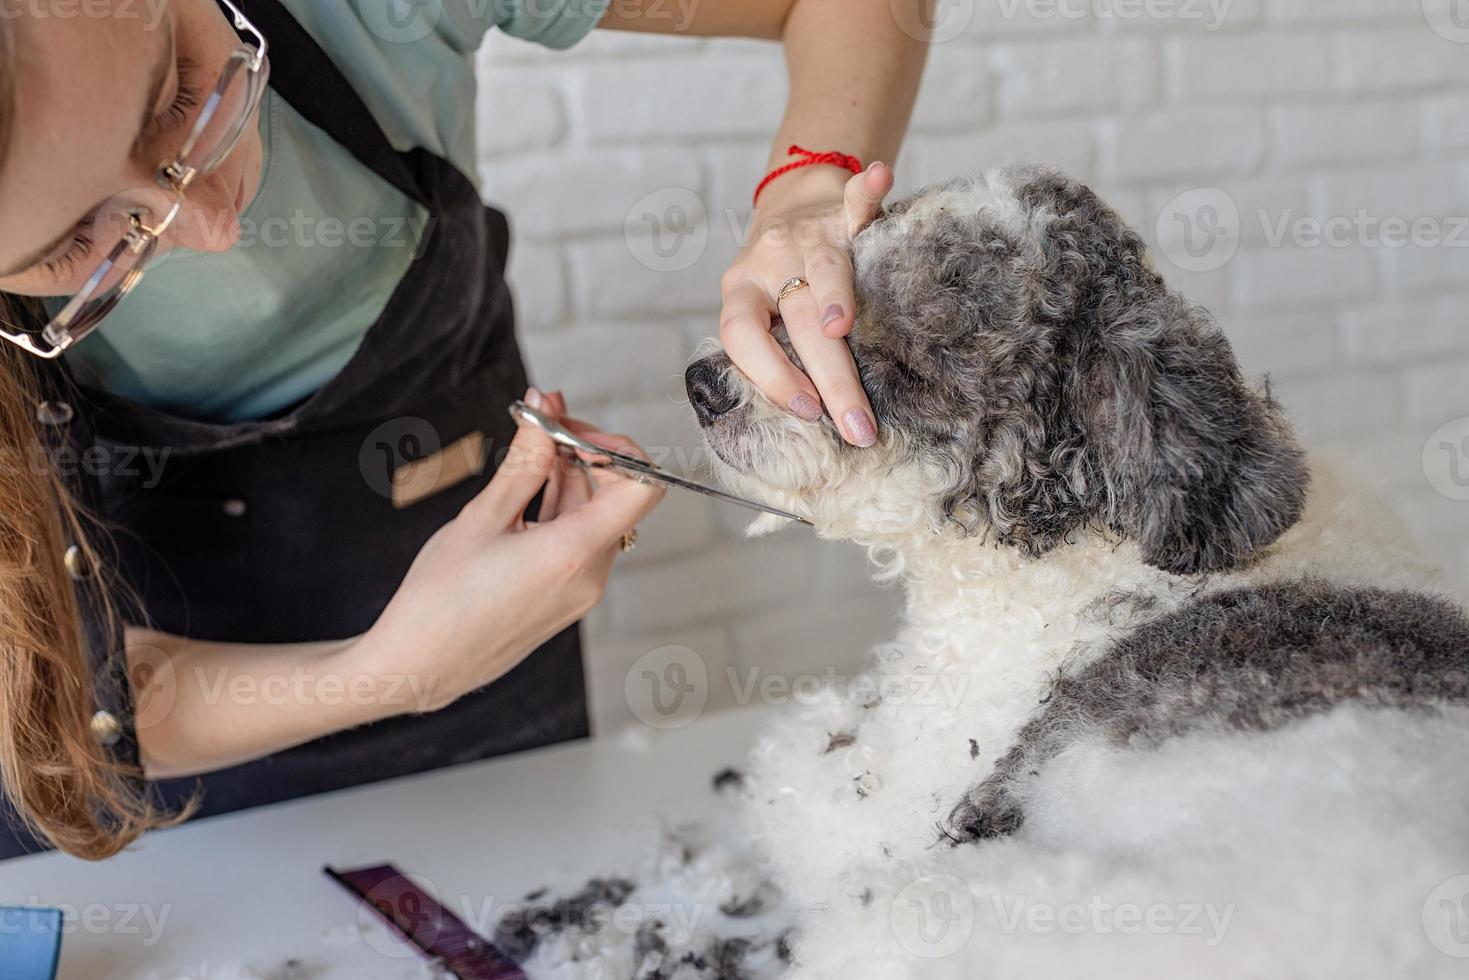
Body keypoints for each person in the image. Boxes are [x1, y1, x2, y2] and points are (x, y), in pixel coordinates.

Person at [0, 0, 926, 859]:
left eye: (178, 97)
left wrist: (802, 196)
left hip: (497, 672)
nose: (210, 225)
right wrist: (392, 673)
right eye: (74, 245)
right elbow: (51, 712)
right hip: (137, 800)